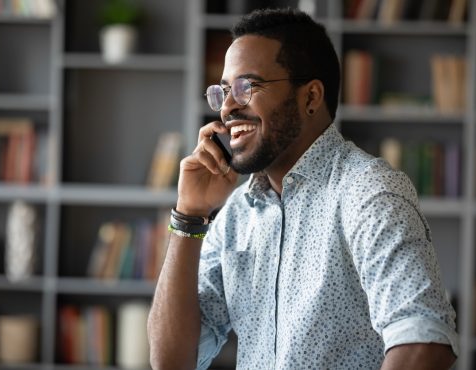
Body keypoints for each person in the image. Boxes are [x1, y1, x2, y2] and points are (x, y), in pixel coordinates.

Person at [148, 7, 458, 370]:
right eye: (223, 91)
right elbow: (172, 362)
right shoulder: (236, 214)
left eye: (247, 87)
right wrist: (188, 216)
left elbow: (423, 342)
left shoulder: (369, 192)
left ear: (310, 97)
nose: (228, 107)